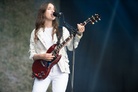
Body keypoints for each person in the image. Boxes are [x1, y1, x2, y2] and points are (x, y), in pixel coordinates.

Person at [29, 2, 85, 92]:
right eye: (49, 8)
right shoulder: (35, 32)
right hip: (43, 70)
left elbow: (71, 47)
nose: (53, 11)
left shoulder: (62, 30)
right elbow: (32, 53)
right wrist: (42, 56)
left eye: (54, 9)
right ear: (43, 12)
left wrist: (79, 34)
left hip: (61, 71)